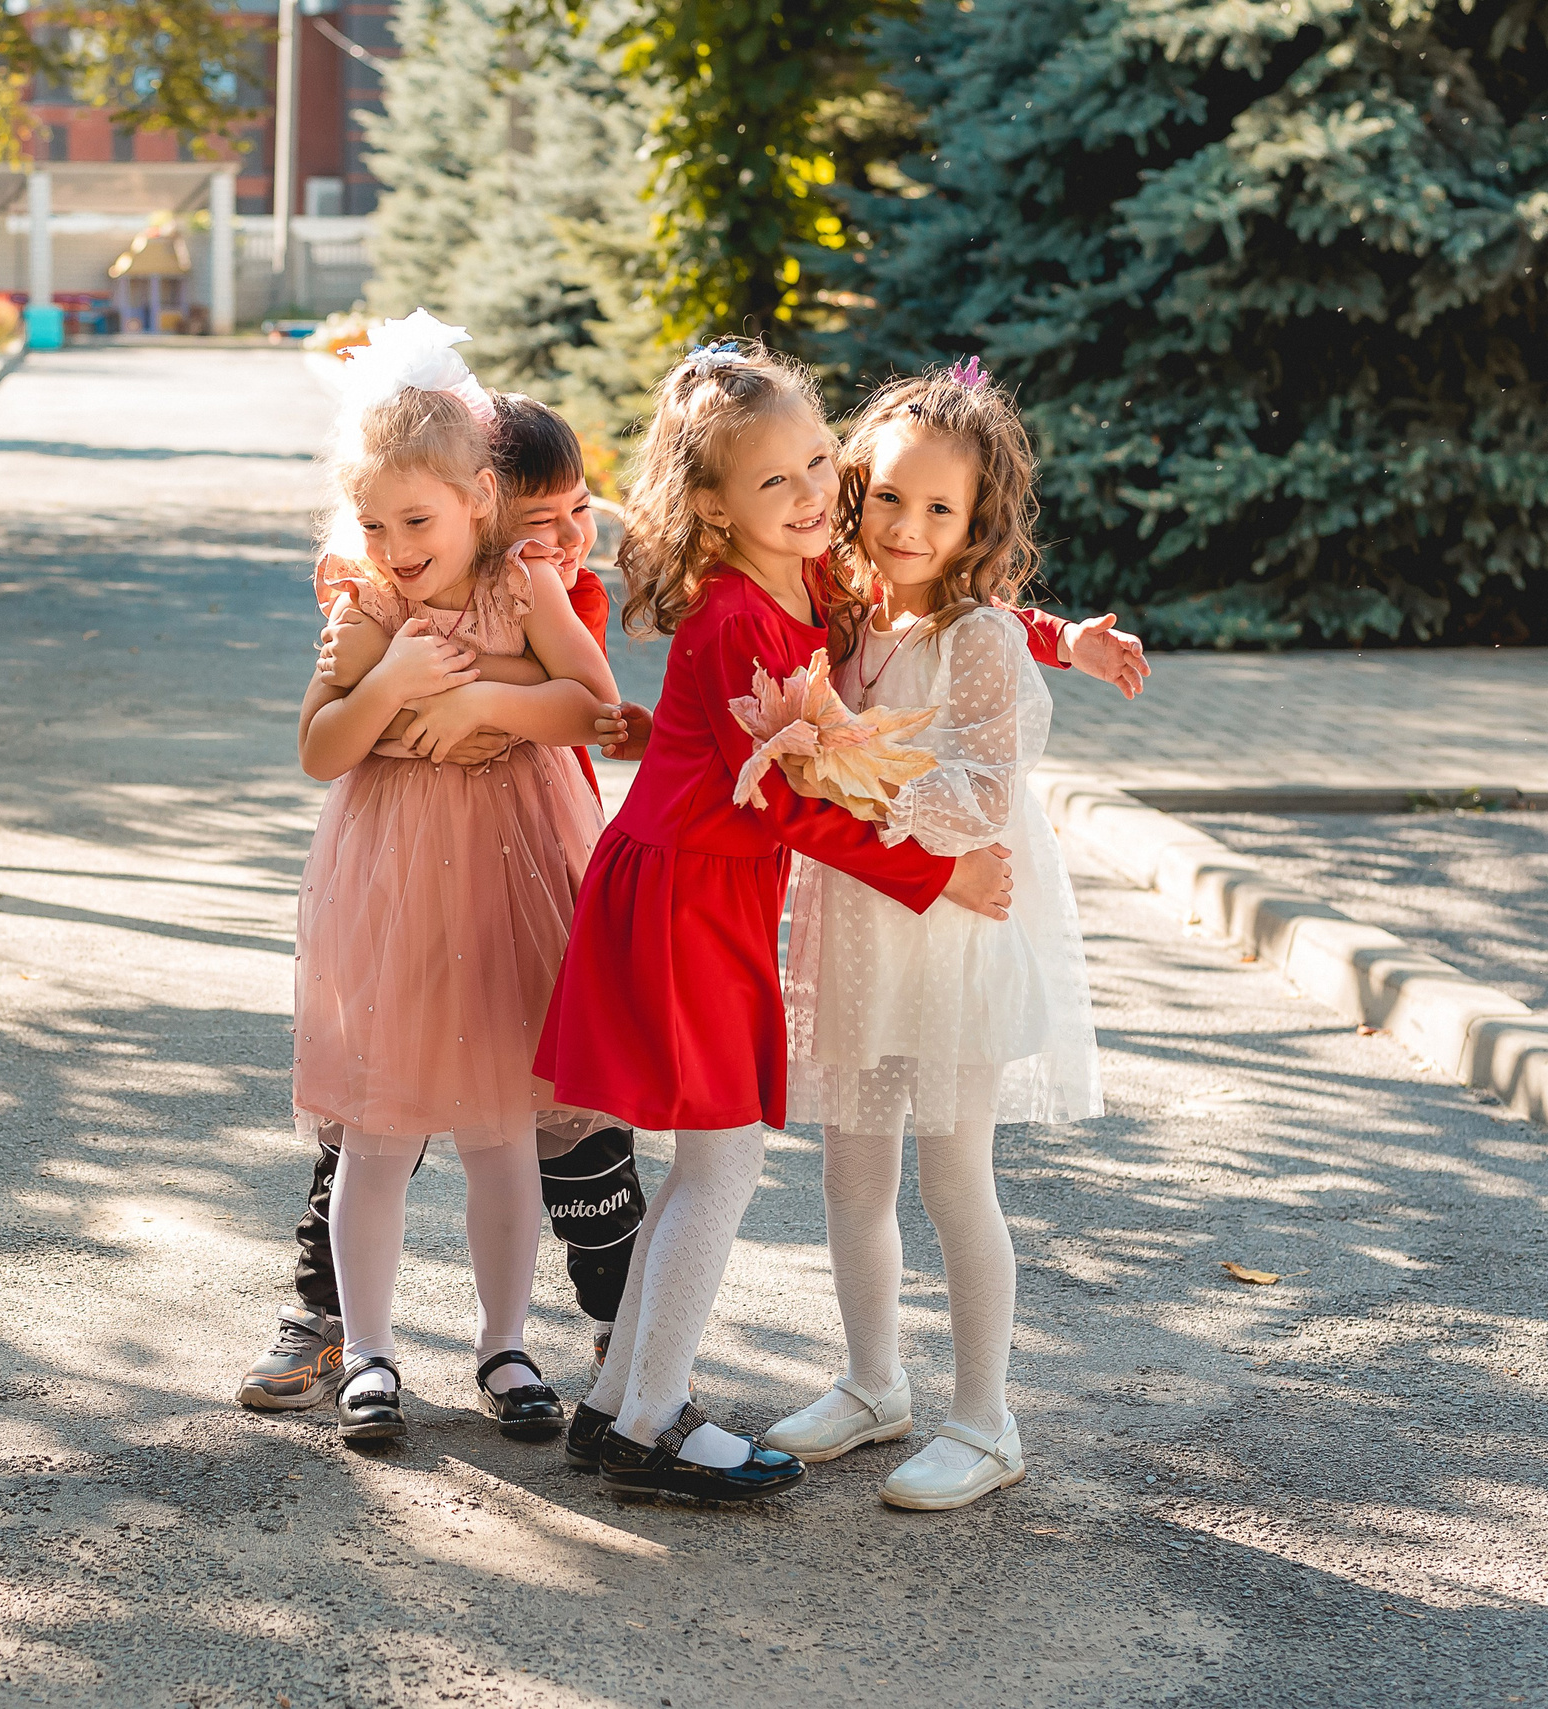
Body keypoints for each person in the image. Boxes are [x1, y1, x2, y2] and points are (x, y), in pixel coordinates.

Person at [534, 339, 1048, 1505]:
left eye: (822, 463)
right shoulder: (735, 625)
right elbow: (802, 807)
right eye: (779, 482)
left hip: (703, 897)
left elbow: (956, 617)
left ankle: (621, 1400)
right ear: (710, 506)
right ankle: (650, 1423)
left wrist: (1070, 638)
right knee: (719, 1166)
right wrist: (939, 878)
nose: (817, 495)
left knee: (706, 1166)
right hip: (683, 905)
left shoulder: (803, 584)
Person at [238, 393, 644, 1413]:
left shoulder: (524, 581)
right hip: (393, 884)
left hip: (513, 874)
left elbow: (591, 703)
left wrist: (473, 698)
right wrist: (391, 683)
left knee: (502, 1128)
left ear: (476, 499)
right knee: (375, 1128)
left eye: (416, 521)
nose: (394, 543)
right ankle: (367, 1347)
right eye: (374, 524)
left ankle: (505, 1346)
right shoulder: (366, 603)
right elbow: (318, 747)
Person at [764, 362, 1100, 1509]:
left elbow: (978, 788)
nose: (909, 526)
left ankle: (985, 1417)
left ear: (978, 521)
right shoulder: (846, 619)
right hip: (858, 931)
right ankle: (871, 1382)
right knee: (851, 1176)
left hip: (952, 933)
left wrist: (845, 779)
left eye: (939, 508)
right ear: (855, 491)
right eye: (890, 497)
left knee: (955, 1179)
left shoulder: (982, 639)